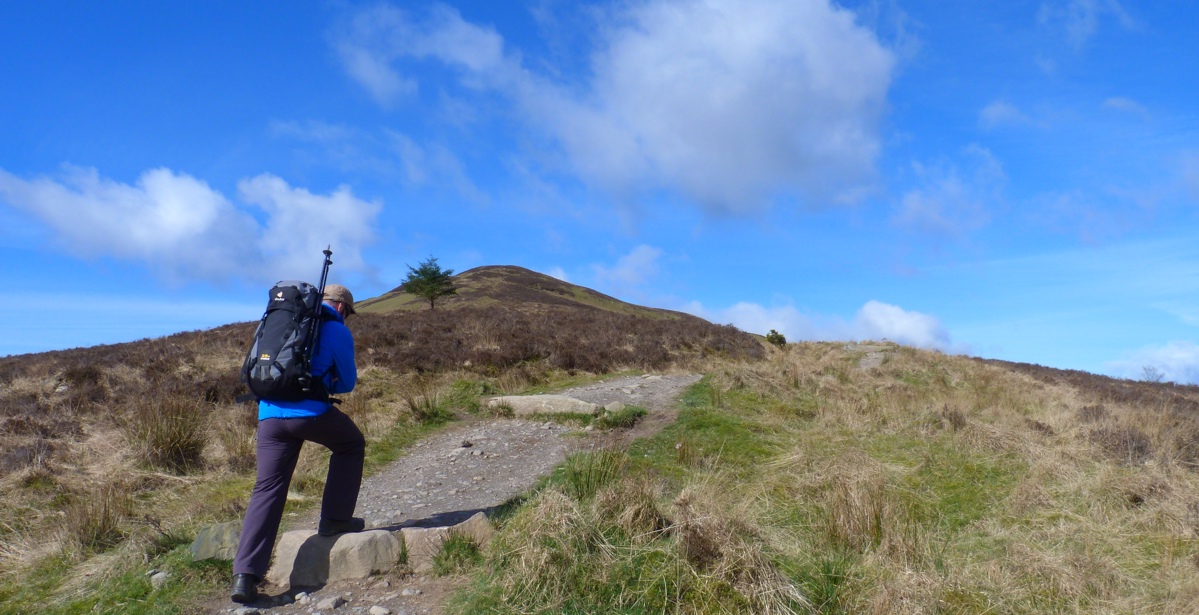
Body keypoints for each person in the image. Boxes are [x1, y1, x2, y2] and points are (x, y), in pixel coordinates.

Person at [231, 284, 366, 604]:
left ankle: (245, 576)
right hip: (312, 413)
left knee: (267, 488)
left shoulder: (279, 322)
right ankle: (335, 518)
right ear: (343, 308)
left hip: (269, 415)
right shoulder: (336, 329)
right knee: (351, 444)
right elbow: (346, 383)